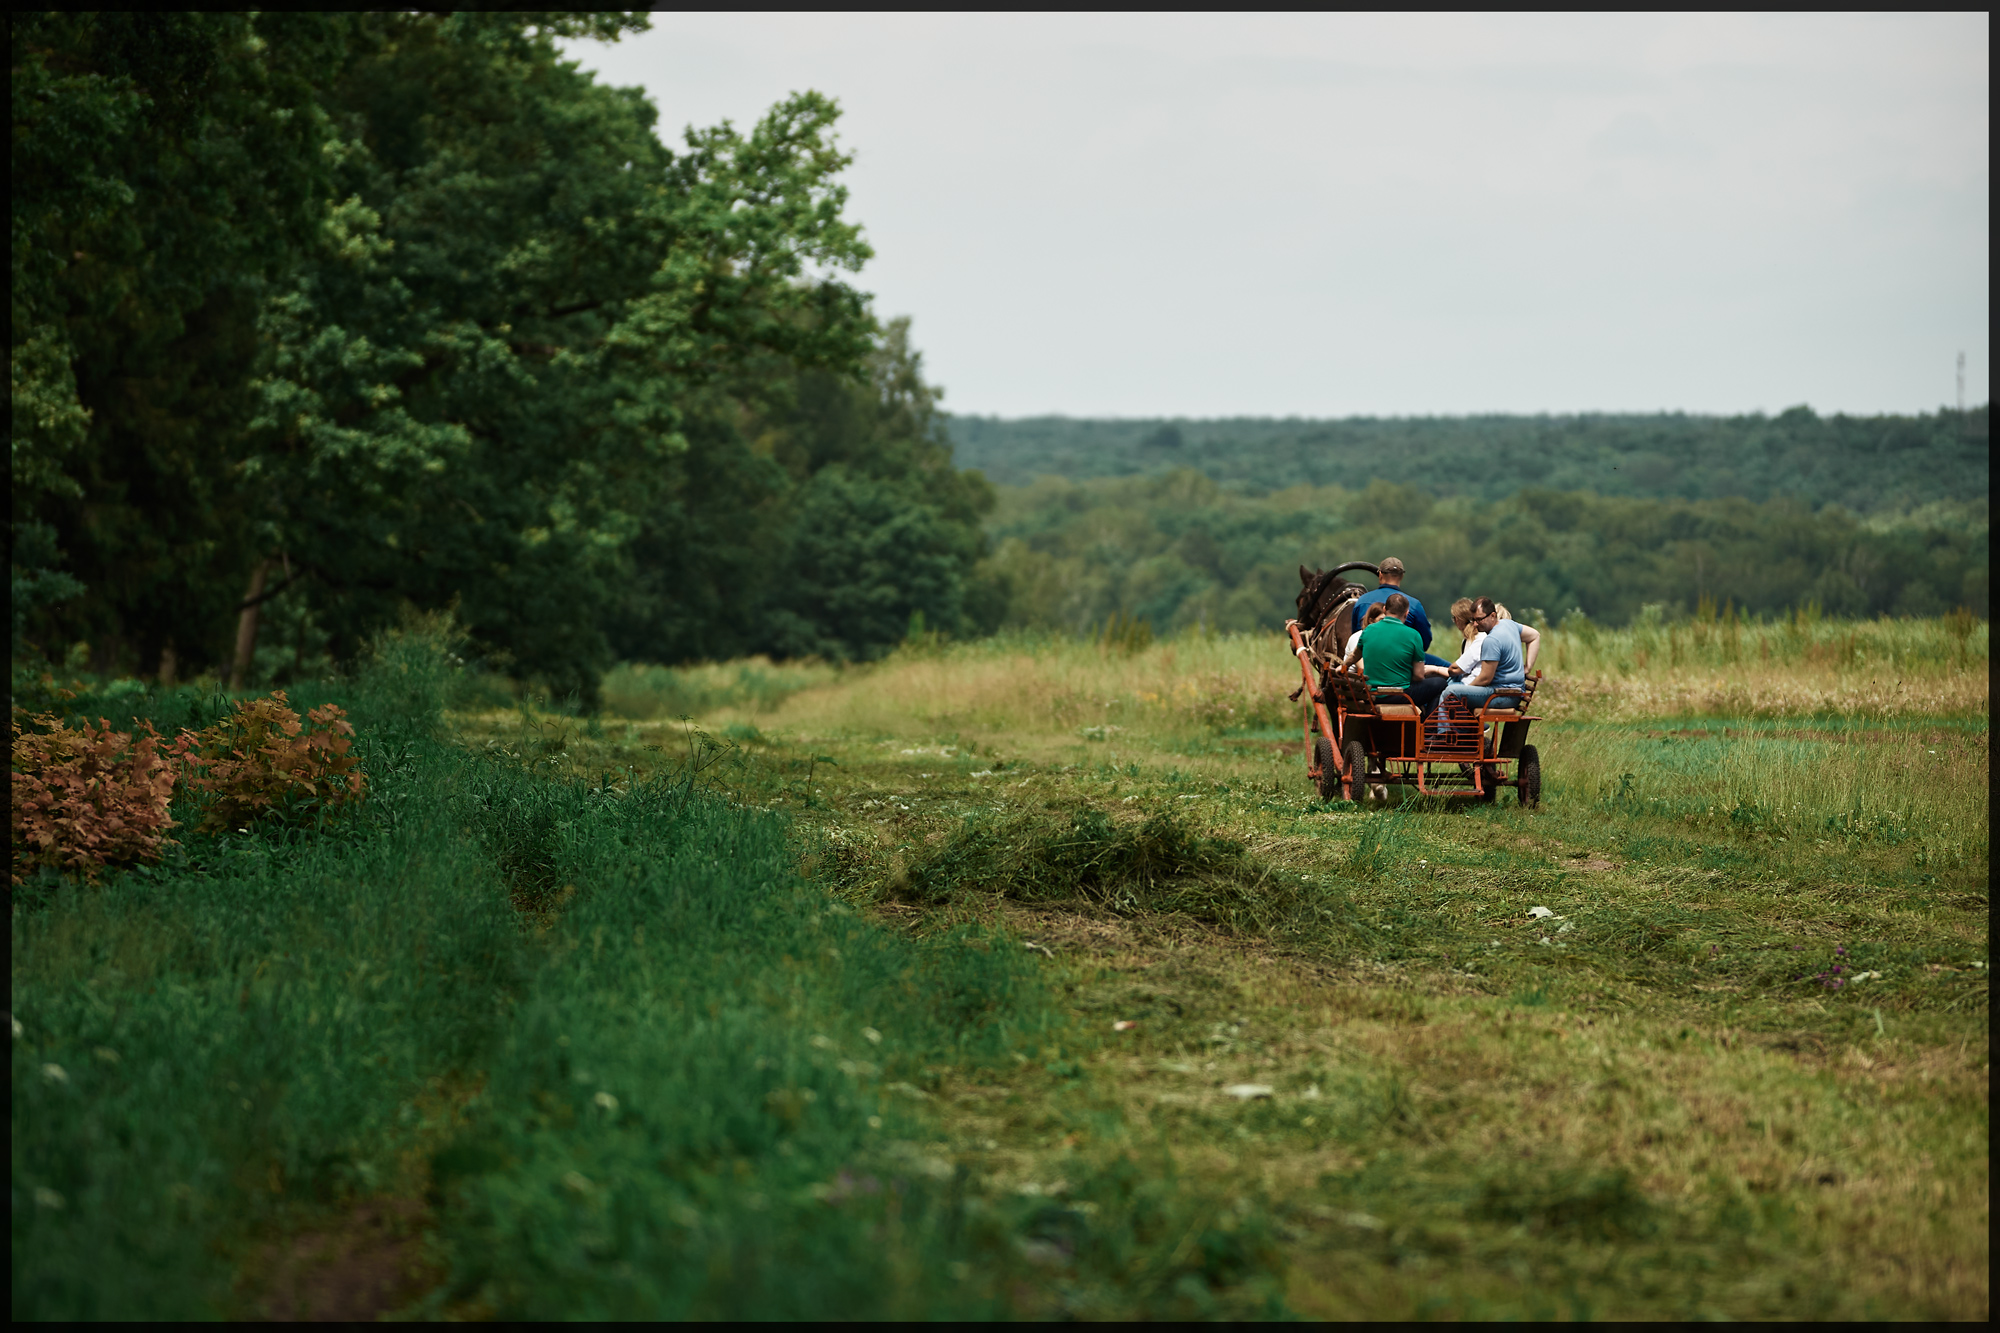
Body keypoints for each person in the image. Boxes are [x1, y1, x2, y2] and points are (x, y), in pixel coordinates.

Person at [1440, 596, 1540, 723]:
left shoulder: (1491, 641)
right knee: (1453, 686)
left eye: (1479, 619)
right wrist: (1528, 666)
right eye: (1474, 620)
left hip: (1500, 695)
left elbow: (1485, 678)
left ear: (1493, 615)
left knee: (1450, 691)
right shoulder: (1509, 624)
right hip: (1513, 693)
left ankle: (1444, 735)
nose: (1475, 624)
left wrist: (1468, 689)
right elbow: (1534, 635)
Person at [1350, 556, 1450, 669]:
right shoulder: (1414, 604)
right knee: (1448, 668)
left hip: (1367, 661)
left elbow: (1355, 635)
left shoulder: (1362, 601)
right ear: (1401, 576)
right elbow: (1424, 643)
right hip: (1401, 663)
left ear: (1380, 575)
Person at [1359, 592, 1448, 716]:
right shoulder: (1413, 635)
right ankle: (1429, 731)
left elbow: (1354, 656)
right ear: (1406, 613)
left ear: (1384, 609)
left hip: (1373, 694)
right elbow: (1419, 676)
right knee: (1440, 683)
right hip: (1399, 695)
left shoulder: (1368, 630)